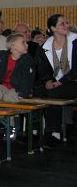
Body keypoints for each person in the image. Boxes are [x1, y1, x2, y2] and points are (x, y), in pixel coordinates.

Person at [35, 14, 77, 148]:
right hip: (57, 82)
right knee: (38, 92)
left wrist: (59, 82)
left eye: (67, 23)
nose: (66, 25)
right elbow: (43, 68)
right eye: (62, 23)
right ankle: (35, 130)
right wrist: (47, 80)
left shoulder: (75, 41)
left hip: (73, 81)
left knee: (53, 94)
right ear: (53, 28)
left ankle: (54, 133)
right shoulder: (45, 46)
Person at [0, 33, 35, 101]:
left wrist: (23, 93)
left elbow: (29, 79)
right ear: (13, 46)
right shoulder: (2, 58)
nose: (27, 45)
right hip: (1, 86)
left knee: (10, 98)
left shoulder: (27, 61)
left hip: (17, 88)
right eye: (23, 42)